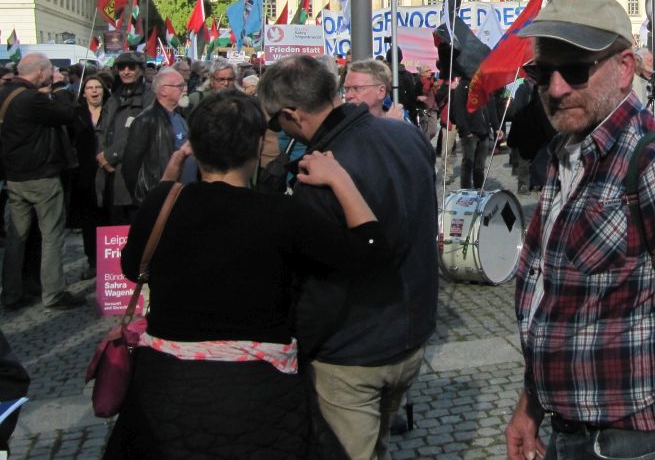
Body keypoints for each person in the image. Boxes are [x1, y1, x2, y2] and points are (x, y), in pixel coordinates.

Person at [505, 0, 655, 460]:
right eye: (541, 73)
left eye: (575, 71)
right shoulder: (565, 155)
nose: (555, 89)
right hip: (566, 431)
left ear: (624, 68)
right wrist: (530, 405)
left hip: (633, 443)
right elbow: (556, 304)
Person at [102, 90, 391, 459]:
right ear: (257, 146)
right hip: (257, 396)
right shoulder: (281, 215)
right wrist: (341, 181)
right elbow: (372, 256)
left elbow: (132, 266)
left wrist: (168, 179)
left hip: (164, 390)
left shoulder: (164, 202)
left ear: (193, 145)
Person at [259, 55, 438, 458]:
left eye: (277, 123)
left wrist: (298, 344)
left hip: (353, 354)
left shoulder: (320, 177)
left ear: (293, 114)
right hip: (410, 336)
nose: (278, 131)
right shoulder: (406, 135)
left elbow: (323, 285)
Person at [0, 54, 84, 310]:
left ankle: (12, 291)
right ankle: (54, 292)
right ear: (39, 72)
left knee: (17, 236)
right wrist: (59, 87)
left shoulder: (5, 92)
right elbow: (65, 113)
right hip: (40, 176)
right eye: (50, 70)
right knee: (51, 235)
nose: (52, 74)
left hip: (14, 176)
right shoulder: (31, 98)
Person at [97, 52, 154, 222]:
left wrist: (109, 156)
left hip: (133, 175)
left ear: (141, 70)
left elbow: (140, 133)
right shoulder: (114, 97)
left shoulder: (149, 96)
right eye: (122, 67)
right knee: (113, 227)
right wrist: (101, 155)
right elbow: (102, 129)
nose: (126, 71)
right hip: (109, 175)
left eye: (131, 67)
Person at [122, 68, 191, 209]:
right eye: (180, 86)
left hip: (186, 196)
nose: (185, 89)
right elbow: (130, 165)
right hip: (162, 200)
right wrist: (145, 200)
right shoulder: (146, 120)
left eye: (184, 84)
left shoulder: (182, 115)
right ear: (163, 90)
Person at [69, 74, 109, 280]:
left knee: (108, 217)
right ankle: (93, 261)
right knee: (88, 220)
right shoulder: (75, 114)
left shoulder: (112, 112)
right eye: (90, 88)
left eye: (98, 87)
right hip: (84, 173)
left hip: (109, 172)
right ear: (83, 93)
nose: (94, 91)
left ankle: (111, 262)